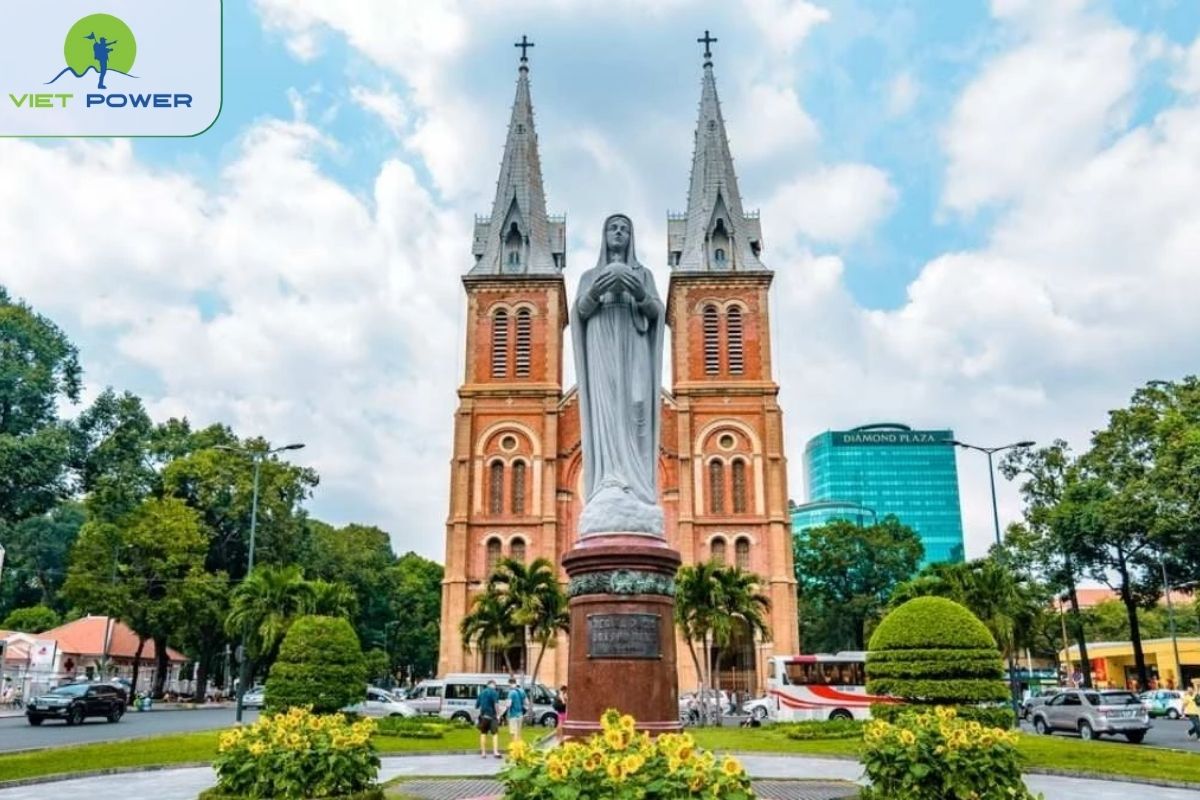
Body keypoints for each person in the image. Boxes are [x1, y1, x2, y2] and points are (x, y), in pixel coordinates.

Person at [571, 214, 666, 536]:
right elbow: (579, 313)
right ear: (603, 235)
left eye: (625, 228)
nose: (619, 233)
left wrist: (639, 293)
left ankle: (637, 486)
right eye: (613, 227)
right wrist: (595, 292)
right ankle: (609, 478)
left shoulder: (645, 274)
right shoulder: (588, 276)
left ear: (632, 237)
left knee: (638, 406)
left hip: (635, 349)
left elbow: (657, 313)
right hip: (602, 352)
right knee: (607, 413)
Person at [475, 679, 502, 758]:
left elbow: (477, 706)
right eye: (495, 685)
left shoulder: (481, 693)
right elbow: (496, 704)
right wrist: (498, 715)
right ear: (492, 684)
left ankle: (483, 753)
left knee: (483, 733)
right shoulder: (494, 692)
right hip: (492, 716)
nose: (495, 687)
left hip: (483, 716)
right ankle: (495, 752)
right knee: (495, 734)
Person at [505, 677, 526, 743]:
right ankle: (519, 747)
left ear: (510, 683)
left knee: (514, 733)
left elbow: (508, 705)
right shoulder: (522, 691)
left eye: (508, 685)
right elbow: (526, 702)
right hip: (520, 714)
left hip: (513, 715)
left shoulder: (511, 693)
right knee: (519, 732)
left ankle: (515, 748)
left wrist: (506, 703)